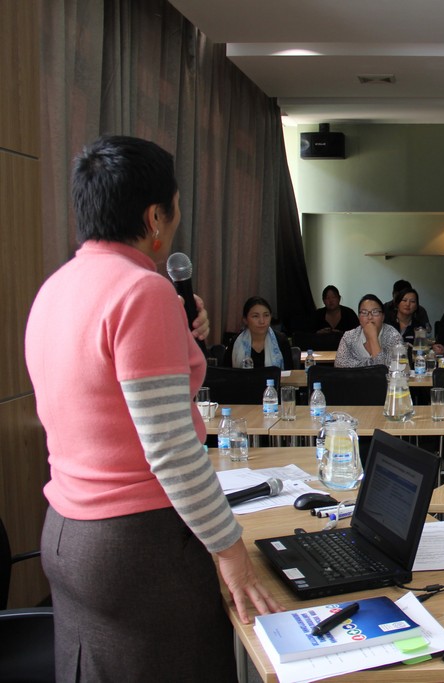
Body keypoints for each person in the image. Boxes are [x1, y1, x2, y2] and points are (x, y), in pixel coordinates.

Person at [24, 135, 281, 680]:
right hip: (138, 546)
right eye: (176, 206)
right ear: (154, 217)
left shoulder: (56, 287)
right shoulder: (143, 292)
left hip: (68, 533)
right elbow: (169, 448)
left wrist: (177, 333)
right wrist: (230, 549)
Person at [335, 293, 404, 367]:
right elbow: (339, 365)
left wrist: (373, 338)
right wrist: (370, 364)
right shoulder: (349, 337)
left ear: (383, 317)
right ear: (359, 317)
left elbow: (394, 368)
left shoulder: (394, 336)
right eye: (364, 312)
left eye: (375, 312)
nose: (370, 317)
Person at [228, 296, 294, 369]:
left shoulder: (281, 340)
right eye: (255, 316)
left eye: (266, 315)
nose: (262, 321)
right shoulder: (236, 341)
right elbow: (226, 373)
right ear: (245, 320)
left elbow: (290, 372)